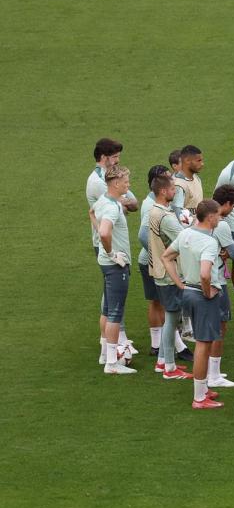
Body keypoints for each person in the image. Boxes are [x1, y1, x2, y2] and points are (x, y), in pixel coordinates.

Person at [161, 200, 227, 409]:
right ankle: (199, 397)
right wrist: (208, 292)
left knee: (202, 342)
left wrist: (180, 283)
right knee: (203, 344)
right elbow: (206, 273)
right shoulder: (209, 242)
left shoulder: (186, 234)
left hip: (189, 291)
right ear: (209, 217)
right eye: (218, 215)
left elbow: (167, 256)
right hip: (202, 295)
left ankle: (204, 389)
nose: (220, 218)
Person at [87, 138, 138, 366]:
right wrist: (111, 253)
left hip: (107, 252)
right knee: (114, 307)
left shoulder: (107, 197)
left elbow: (91, 212)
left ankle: (107, 352)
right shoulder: (107, 196)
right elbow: (106, 231)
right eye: (125, 181)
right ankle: (112, 359)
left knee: (109, 304)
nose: (128, 184)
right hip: (112, 256)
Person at [147, 173, 192, 380]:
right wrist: (191, 223)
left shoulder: (155, 211)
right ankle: (169, 367)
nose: (176, 191)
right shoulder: (164, 216)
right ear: (164, 191)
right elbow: (185, 239)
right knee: (172, 319)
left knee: (171, 318)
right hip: (168, 273)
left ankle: (163, 362)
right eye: (173, 188)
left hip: (159, 270)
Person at [207, 184, 234, 388]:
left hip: (200, 280)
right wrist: (228, 252)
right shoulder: (222, 225)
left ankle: (210, 374)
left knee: (208, 329)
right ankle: (214, 375)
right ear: (227, 203)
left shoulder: (201, 218)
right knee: (220, 326)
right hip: (217, 281)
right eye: (233, 205)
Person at [137, 165, 170, 358]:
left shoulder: (153, 201)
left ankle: (159, 344)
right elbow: (143, 235)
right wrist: (159, 254)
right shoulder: (152, 206)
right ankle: (160, 345)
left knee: (158, 302)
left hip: (151, 260)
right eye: (167, 179)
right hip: (152, 261)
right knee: (161, 303)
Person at [172, 145, 204, 215]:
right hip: (188, 226)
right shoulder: (178, 185)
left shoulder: (196, 178)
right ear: (187, 161)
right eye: (198, 161)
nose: (202, 164)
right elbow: (178, 214)